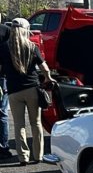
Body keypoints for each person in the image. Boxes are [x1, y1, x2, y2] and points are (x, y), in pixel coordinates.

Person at [0, 18, 55, 165]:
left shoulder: (4, 48)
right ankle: (38, 155)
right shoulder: (32, 46)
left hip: (13, 91)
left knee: (19, 125)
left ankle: (23, 157)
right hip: (32, 89)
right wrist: (48, 79)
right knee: (36, 123)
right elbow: (45, 68)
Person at [0, 22, 11, 159]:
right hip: (2, 78)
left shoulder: (5, 30)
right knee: (2, 113)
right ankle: (3, 147)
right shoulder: (6, 30)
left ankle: (3, 146)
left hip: (2, 77)